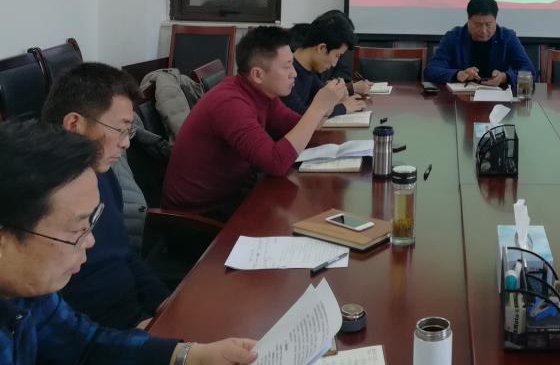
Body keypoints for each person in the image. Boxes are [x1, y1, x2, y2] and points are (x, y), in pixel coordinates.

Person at [0, 120, 256, 365]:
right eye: (76, 230)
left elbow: (85, 345)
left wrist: (192, 356)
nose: (90, 241)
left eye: (92, 221)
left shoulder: (30, 289)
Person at [162, 26, 347, 215]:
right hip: (199, 214)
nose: (294, 73)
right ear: (258, 74)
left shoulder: (262, 92)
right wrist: (317, 108)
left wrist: (326, 106)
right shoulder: (230, 103)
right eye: (286, 66)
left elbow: (297, 125)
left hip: (236, 192)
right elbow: (275, 163)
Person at [38, 64, 169, 329]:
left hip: (137, 319)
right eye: (120, 129)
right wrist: (136, 336)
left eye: (129, 131)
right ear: (74, 124)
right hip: (97, 335)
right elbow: (56, 324)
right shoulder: (37, 200)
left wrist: (166, 303)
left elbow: (124, 253)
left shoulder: (101, 174)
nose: (126, 142)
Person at [424, 0, 537, 87]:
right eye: (477, 24)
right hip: (461, 99)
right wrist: (458, 74)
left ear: (495, 20)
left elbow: (530, 73)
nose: (483, 30)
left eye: (488, 24)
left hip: (498, 100)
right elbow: (431, 71)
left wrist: (504, 77)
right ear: (468, 20)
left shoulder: (507, 38)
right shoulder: (453, 37)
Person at [284, 16, 366, 117]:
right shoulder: (287, 73)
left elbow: (324, 96)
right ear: (321, 48)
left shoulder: (309, 70)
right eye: (337, 55)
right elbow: (300, 113)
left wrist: (340, 95)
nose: (334, 64)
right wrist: (343, 108)